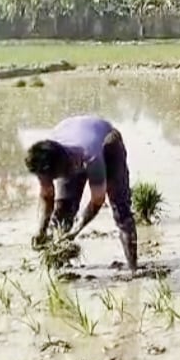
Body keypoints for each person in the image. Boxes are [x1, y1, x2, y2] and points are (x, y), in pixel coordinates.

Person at [24, 114, 138, 271]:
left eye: (59, 175)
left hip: (108, 143)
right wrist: (41, 230)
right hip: (70, 137)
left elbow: (97, 200)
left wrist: (76, 230)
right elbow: (47, 196)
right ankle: (60, 268)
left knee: (121, 209)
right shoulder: (43, 160)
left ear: (65, 166)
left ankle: (133, 269)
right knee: (63, 210)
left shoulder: (92, 155)